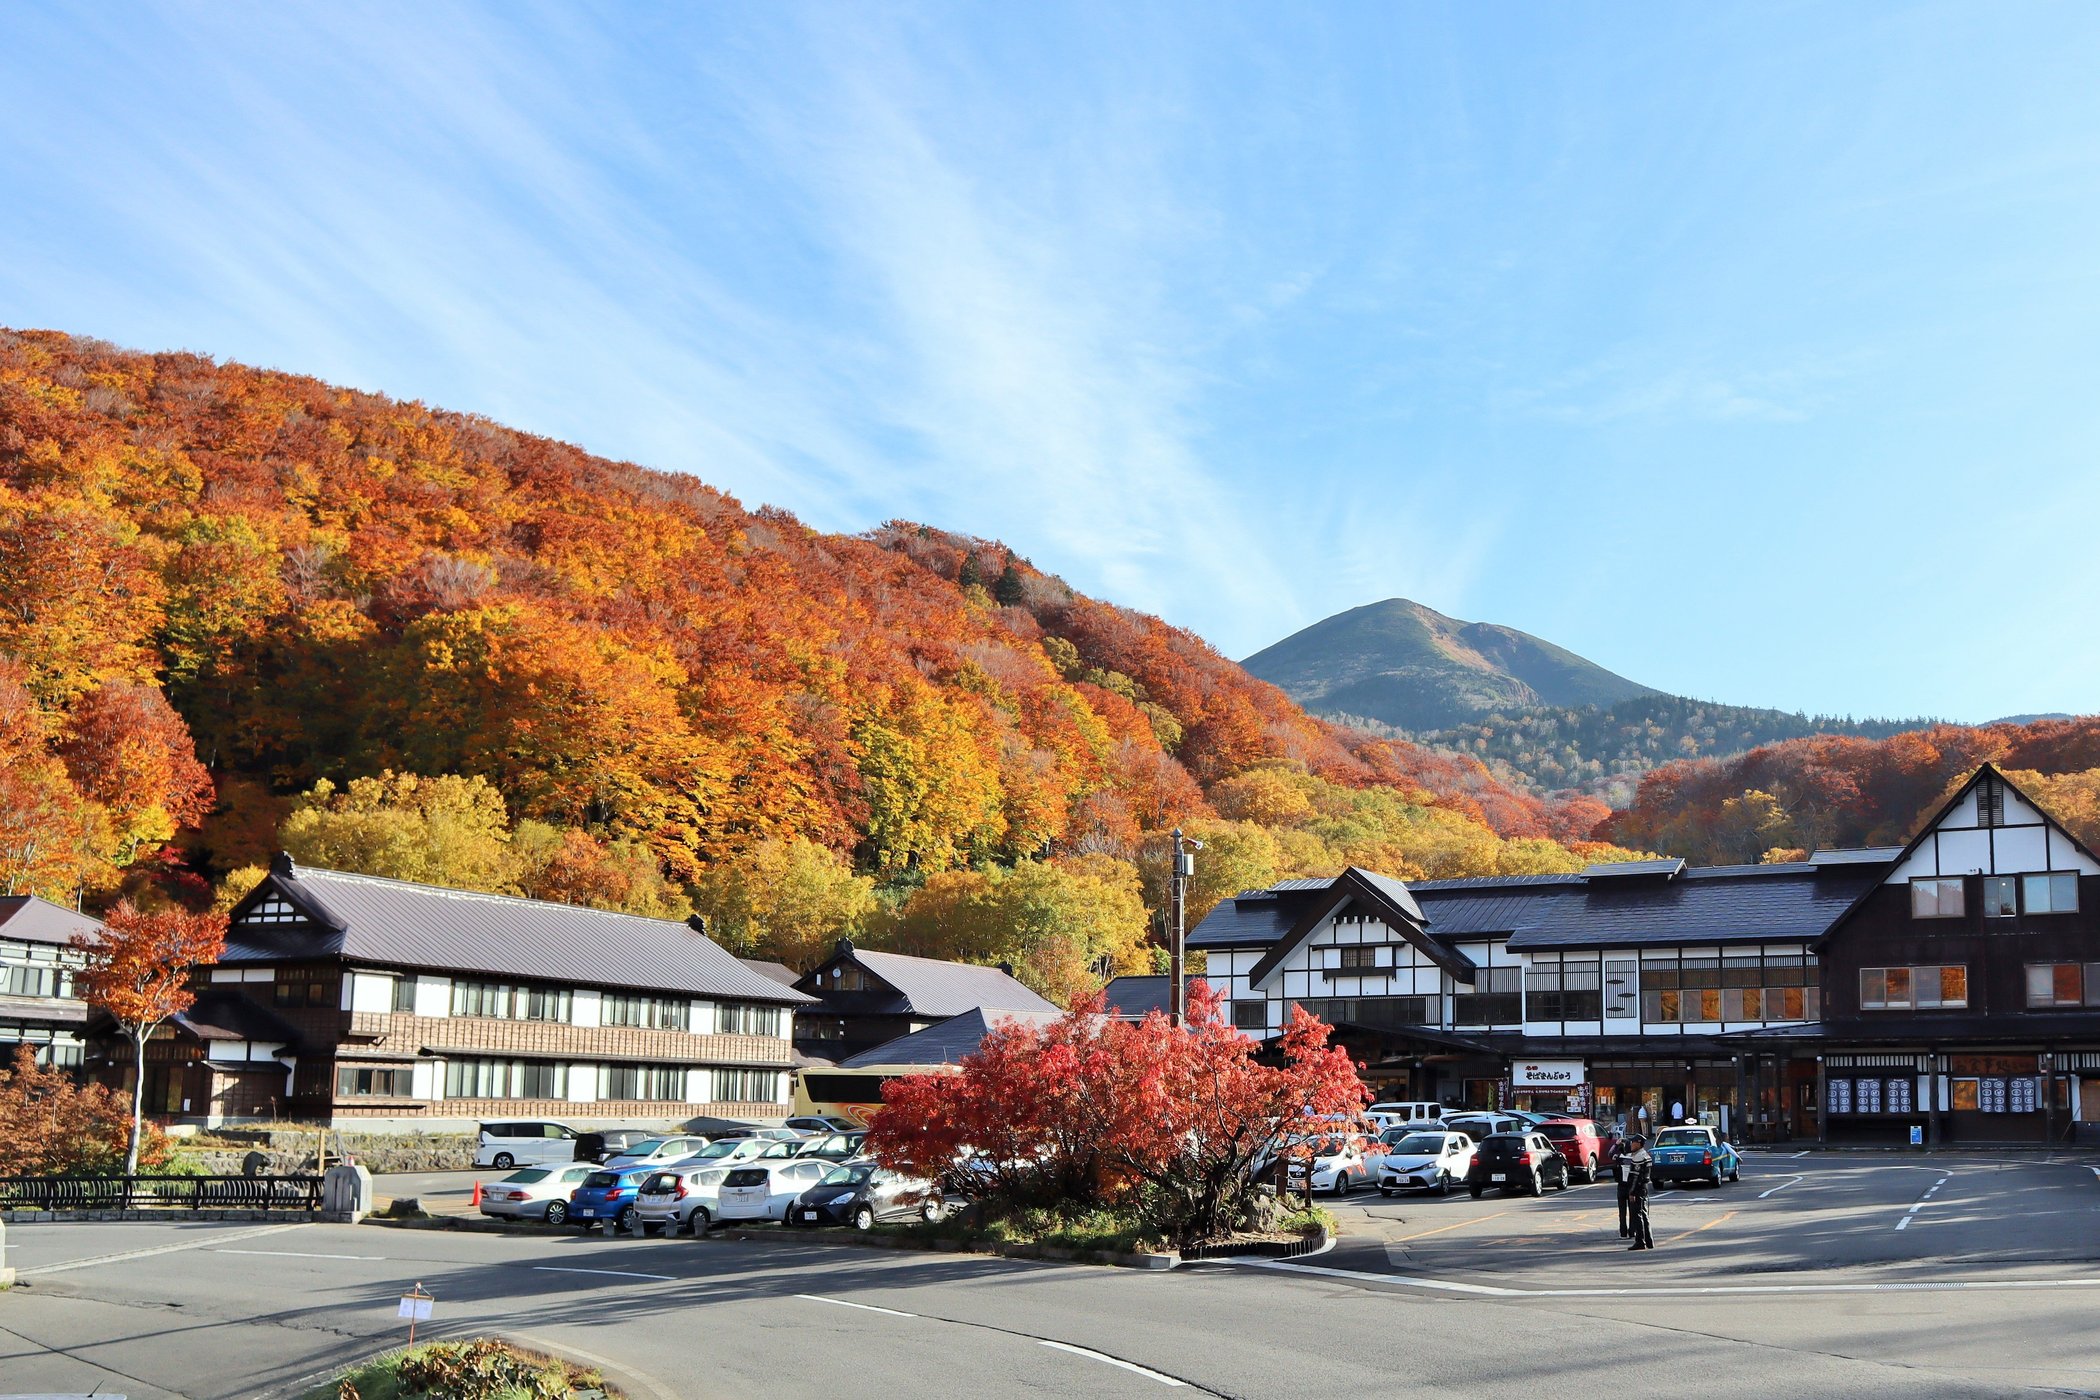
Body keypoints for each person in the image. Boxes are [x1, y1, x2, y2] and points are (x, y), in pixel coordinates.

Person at [1625, 1134, 1655, 1251]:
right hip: (1644, 1188)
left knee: (1637, 1215)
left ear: (1639, 1143)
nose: (1631, 1145)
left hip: (1638, 1189)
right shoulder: (1645, 1155)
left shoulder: (1638, 1157)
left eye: (1633, 1142)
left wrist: (1632, 1192)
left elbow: (1635, 1178)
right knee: (1644, 1214)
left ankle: (1640, 1241)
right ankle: (1649, 1240)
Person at [1610, 1133, 1636, 1238]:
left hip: (1621, 1186)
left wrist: (1616, 1144)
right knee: (1633, 1211)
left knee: (1622, 1212)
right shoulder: (1634, 1158)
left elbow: (1610, 1153)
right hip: (1631, 1186)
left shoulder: (1619, 1158)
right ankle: (1632, 1231)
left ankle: (1623, 1232)